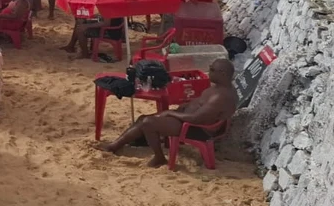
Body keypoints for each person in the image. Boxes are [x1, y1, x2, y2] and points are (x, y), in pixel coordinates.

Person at [100, 59, 238, 167]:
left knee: (149, 123)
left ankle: (159, 157)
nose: (209, 71)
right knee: (144, 118)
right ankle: (115, 145)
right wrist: (181, 108)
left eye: (212, 69)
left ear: (223, 74)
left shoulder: (221, 97)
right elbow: (199, 106)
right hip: (188, 120)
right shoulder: (219, 89)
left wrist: (171, 114)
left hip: (196, 129)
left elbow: (196, 118)